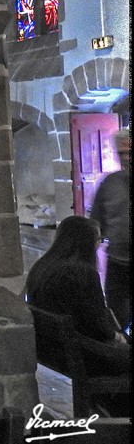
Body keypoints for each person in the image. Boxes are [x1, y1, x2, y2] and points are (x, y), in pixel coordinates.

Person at [25, 215, 130, 415]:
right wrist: (116, 336)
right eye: (98, 240)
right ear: (85, 242)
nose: (99, 245)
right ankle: (117, 415)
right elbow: (98, 326)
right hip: (83, 354)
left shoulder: (43, 266)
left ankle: (108, 408)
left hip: (53, 351)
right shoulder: (82, 272)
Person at [91, 127, 131, 333]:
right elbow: (96, 223)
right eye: (121, 153)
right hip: (118, 262)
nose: (126, 158)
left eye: (130, 152)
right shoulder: (109, 183)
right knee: (117, 320)